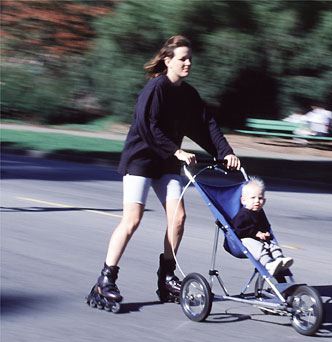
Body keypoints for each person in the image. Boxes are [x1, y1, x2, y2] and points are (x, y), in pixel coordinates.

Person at [86, 35, 240, 310]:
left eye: (190, 58)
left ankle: (166, 277)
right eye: (182, 59)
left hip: (166, 162)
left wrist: (225, 151)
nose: (188, 63)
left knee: (178, 219)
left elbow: (205, 125)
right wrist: (176, 151)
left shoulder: (188, 94)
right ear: (168, 60)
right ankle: (105, 279)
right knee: (132, 220)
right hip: (141, 160)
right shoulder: (156, 88)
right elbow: (148, 126)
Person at [232, 177, 293, 275]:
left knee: (272, 244)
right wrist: (256, 233)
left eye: (260, 198)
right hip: (244, 240)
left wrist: (266, 232)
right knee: (258, 247)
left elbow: (265, 225)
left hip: (260, 238)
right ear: (243, 200)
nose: (257, 201)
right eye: (253, 198)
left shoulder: (260, 213)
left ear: (264, 201)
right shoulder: (243, 215)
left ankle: (280, 259)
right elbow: (239, 230)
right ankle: (269, 264)